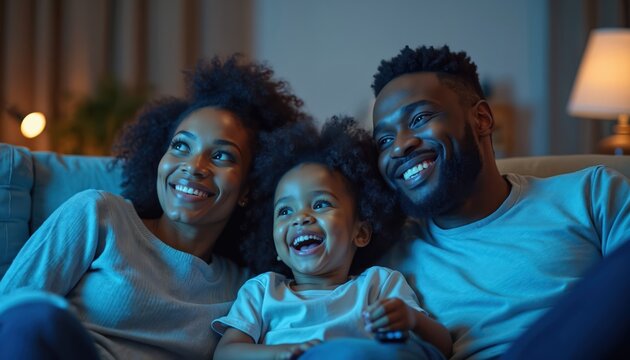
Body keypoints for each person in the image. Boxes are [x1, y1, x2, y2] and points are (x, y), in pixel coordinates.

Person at [0, 55, 308, 360]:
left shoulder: (246, 286)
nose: (194, 167)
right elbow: (10, 312)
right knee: (34, 318)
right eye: (181, 147)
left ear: (248, 188)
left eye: (221, 156)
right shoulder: (100, 215)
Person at [369, 45, 630, 359]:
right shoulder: (388, 255)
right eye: (384, 140)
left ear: (481, 119)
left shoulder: (591, 193)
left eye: (420, 118)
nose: (399, 147)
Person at [211, 117, 452, 360]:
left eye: (320, 204)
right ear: (274, 244)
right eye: (285, 211)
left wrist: (412, 320)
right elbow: (225, 353)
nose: (301, 218)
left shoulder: (378, 284)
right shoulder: (262, 291)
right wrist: (279, 354)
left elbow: (442, 348)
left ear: (360, 233)